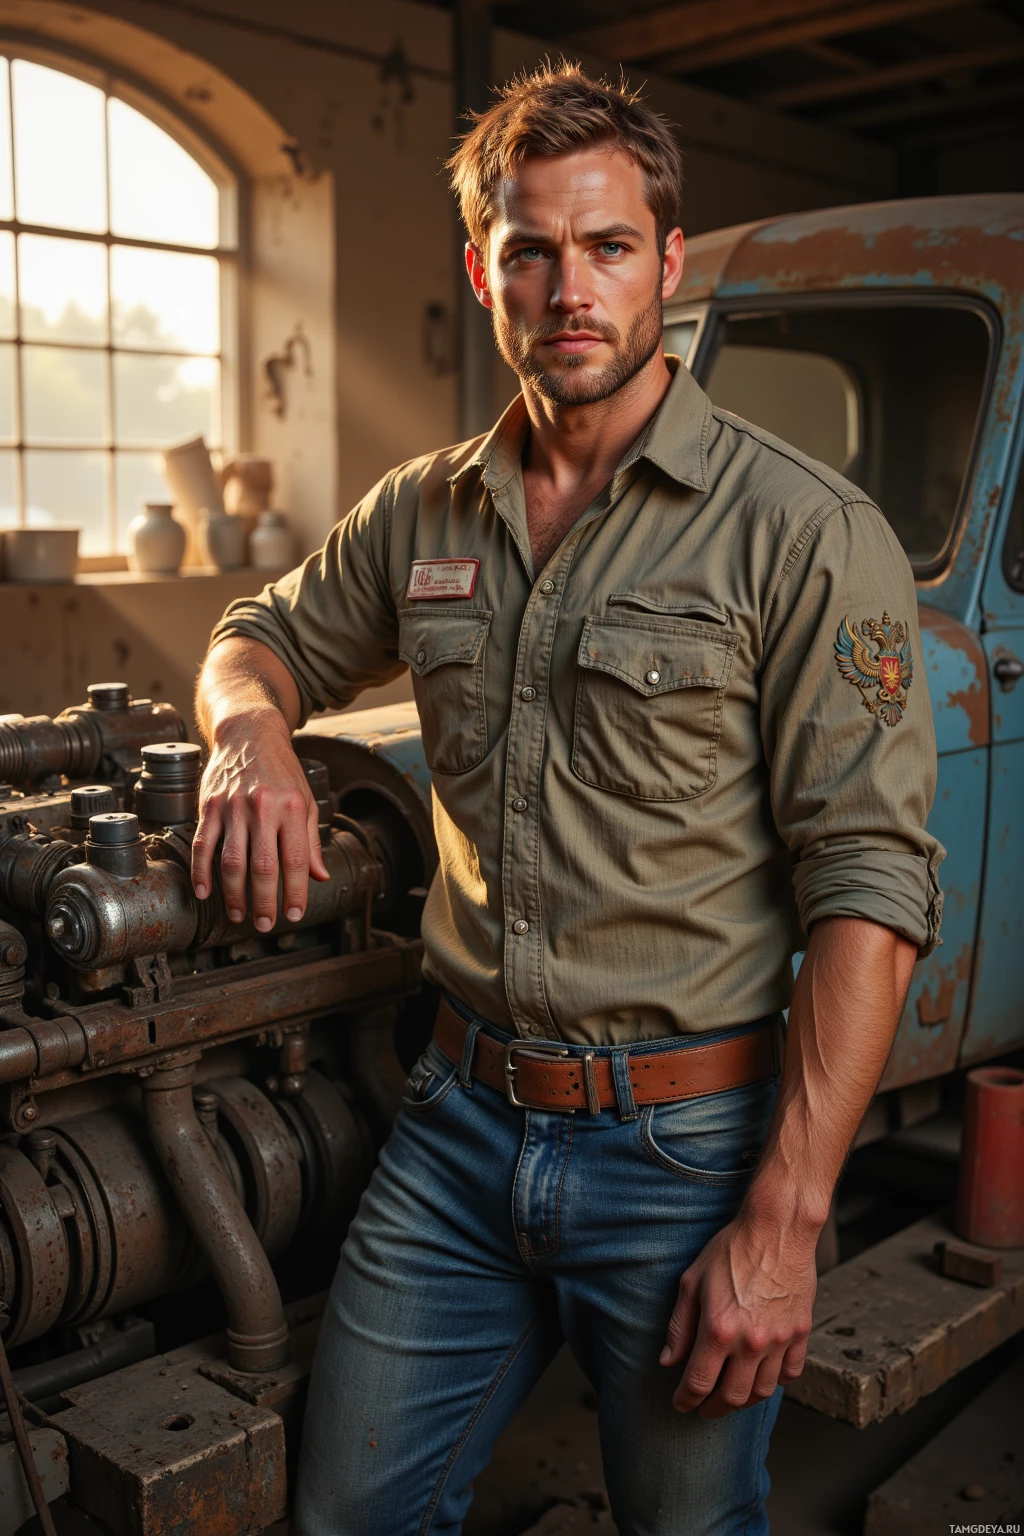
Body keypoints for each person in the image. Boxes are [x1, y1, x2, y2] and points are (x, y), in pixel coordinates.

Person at [193, 62, 943, 1536]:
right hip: (457, 1128)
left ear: (669, 263)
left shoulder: (801, 532)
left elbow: (869, 883)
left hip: (684, 1151)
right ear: (484, 273)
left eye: (608, 246)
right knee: (347, 1517)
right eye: (531, 250)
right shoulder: (425, 508)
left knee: (686, 1526)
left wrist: (785, 1219)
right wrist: (249, 737)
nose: (570, 288)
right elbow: (256, 637)